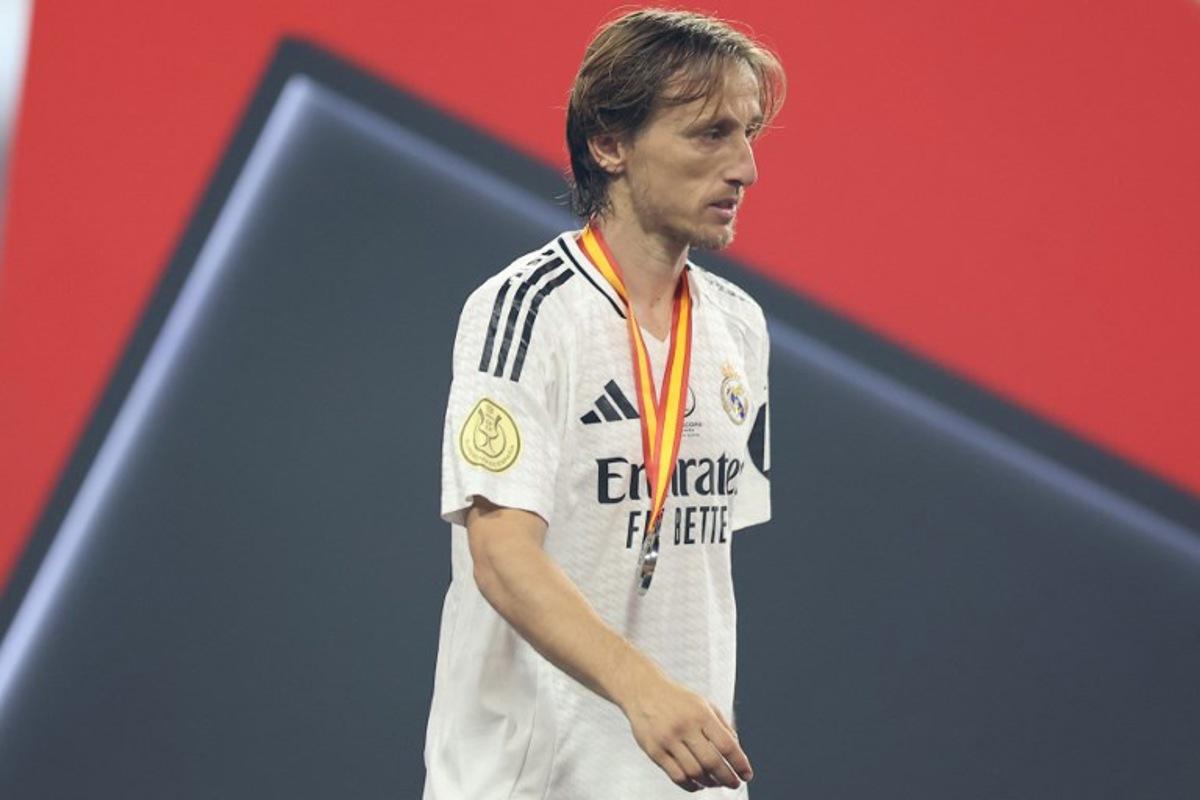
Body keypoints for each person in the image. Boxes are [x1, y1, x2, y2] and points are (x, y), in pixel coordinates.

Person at [423, 8, 784, 798]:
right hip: (532, 783)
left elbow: (692, 565)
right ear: (609, 144)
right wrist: (639, 689)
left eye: (750, 132)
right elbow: (502, 556)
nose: (746, 168)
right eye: (709, 134)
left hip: (685, 782)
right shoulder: (523, 311)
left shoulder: (739, 328)